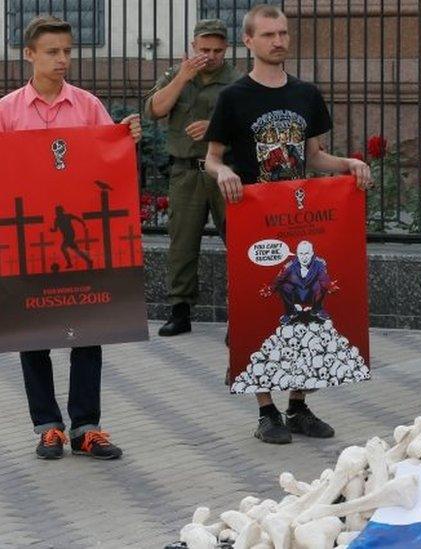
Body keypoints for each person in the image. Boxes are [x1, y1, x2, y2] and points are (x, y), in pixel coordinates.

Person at [204, 4, 371, 444]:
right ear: (249, 41)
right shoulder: (234, 97)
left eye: (283, 33)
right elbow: (212, 158)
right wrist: (223, 173)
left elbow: (314, 156)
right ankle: (266, 412)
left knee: (310, 304)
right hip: (252, 219)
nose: (278, 41)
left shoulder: (305, 95)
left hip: (300, 220)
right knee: (254, 310)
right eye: (268, 35)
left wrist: (349, 163)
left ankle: (298, 405)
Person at [0, 15, 142, 460]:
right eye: (52, 52)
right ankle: (47, 427)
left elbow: (105, 163)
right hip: (27, 240)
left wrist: (125, 138)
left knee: (89, 328)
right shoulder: (7, 111)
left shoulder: (87, 106)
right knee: (32, 333)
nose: (62, 59)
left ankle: (86, 427)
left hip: (81, 237)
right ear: (28, 55)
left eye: (67, 50)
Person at [146, 19, 241, 337]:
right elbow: (155, 110)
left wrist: (214, 129)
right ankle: (180, 311)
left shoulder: (238, 82)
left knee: (239, 242)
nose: (210, 56)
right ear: (193, 47)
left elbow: (249, 129)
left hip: (225, 172)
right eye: (204, 50)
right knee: (182, 243)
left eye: (217, 50)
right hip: (185, 170)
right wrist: (183, 76)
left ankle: (242, 311)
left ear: (226, 49)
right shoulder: (177, 75)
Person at [268, 240, 335, 325]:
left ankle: (317, 309)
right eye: (301, 254)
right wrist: (270, 289)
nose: (304, 257)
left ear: (312, 253)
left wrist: (329, 286)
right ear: (297, 254)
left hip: (312, 295)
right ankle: (291, 312)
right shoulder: (290, 266)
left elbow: (324, 278)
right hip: (296, 295)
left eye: (306, 253)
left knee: (320, 285)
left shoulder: (319, 264)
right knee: (284, 286)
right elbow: (279, 279)